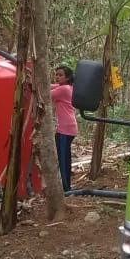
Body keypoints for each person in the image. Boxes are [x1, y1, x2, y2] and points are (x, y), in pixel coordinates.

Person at [50, 65, 77, 193]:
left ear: (67, 77)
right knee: (64, 158)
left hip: (65, 129)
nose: (57, 77)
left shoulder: (64, 89)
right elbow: (50, 86)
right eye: (56, 74)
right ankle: (66, 187)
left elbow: (45, 93)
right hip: (68, 128)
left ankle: (66, 189)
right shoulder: (67, 87)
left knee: (62, 159)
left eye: (60, 75)